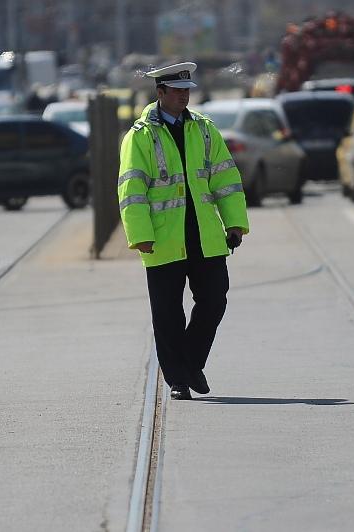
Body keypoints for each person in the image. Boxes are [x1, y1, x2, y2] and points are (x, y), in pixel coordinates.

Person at [117, 62, 249, 400]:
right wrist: (140, 234)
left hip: (204, 235)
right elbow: (132, 190)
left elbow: (225, 179)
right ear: (160, 93)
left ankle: (189, 363)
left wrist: (234, 222)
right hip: (162, 239)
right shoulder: (141, 136)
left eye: (187, 91)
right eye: (177, 92)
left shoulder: (204, 130)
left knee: (214, 300)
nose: (183, 97)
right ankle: (178, 379)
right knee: (167, 314)